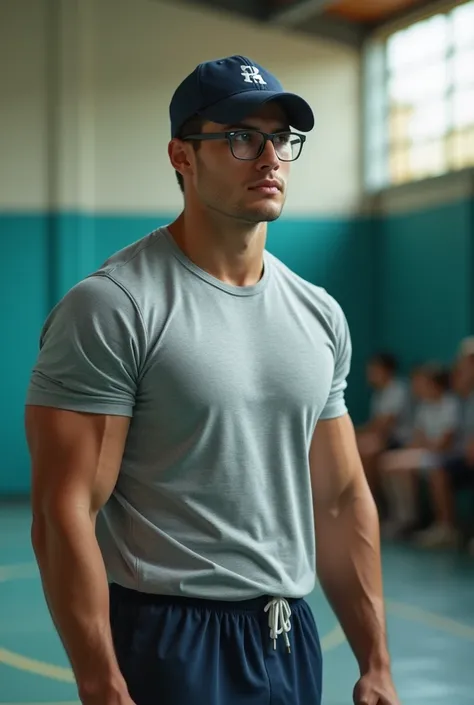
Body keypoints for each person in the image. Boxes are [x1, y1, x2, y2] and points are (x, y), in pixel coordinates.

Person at [25, 55, 400, 705]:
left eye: (281, 138)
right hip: (169, 638)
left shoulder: (318, 313)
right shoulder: (115, 306)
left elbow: (339, 498)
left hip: (287, 634)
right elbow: (65, 513)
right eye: (239, 137)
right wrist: (101, 682)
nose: (269, 157)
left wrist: (376, 661)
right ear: (182, 156)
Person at [379, 364, 460, 539]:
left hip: (442, 456)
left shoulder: (450, 403)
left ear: (434, 384)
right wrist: (413, 451)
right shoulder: (424, 406)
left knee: (400, 465)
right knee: (388, 462)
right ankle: (403, 518)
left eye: (421, 382)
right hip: (426, 453)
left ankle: (439, 525)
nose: (416, 386)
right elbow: (418, 438)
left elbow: (444, 443)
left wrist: (419, 450)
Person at [415, 353, 474, 548]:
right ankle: (446, 529)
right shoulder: (466, 401)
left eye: (463, 370)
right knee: (439, 470)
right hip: (463, 457)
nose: (458, 376)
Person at [357, 353, 411, 509]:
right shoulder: (378, 393)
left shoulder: (398, 389)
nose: (370, 374)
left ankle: (372, 507)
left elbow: (384, 425)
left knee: (366, 451)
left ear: (386, 370)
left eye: (374, 369)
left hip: (401, 442)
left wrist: (353, 432)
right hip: (386, 440)